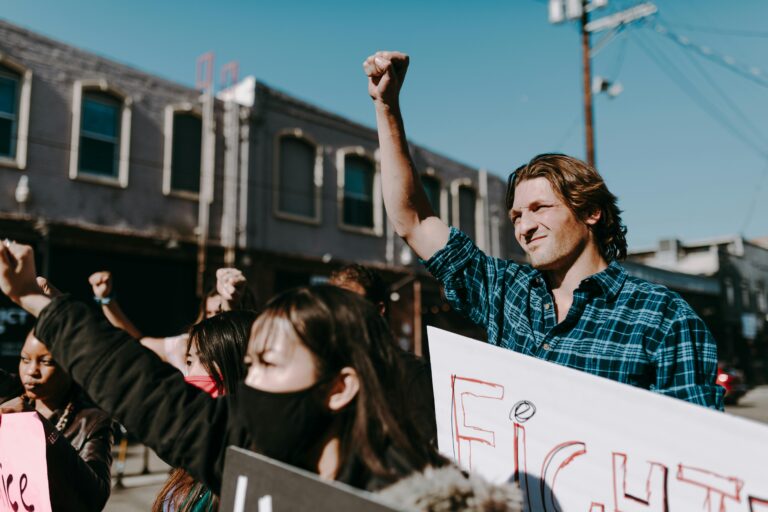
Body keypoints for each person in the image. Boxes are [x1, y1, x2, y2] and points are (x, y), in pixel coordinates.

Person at [363, 51, 723, 410]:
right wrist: (386, 105)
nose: (525, 226)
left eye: (540, 209)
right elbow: (414, 220)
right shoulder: (507, 293)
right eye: (517, 215)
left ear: (592, 212)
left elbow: (697, 449)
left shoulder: (663, 318)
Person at [0, 241, 447, 493]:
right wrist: (36, 300)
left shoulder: (417, 497)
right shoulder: (242, 449)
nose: (248, 382)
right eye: (248, 364)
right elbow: (142, 387)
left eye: (269, 364)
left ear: (338, 387)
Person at [155, 310, 257, 512]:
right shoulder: (199, 445)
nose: (190, 375)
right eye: (190, 362)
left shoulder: (247, 468)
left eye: (207, 360)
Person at [0, 330, 114, 511]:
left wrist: (41, 426)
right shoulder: (12, 394)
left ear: (71, 366)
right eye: (24, 359)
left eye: (46, 362)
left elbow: (95, 498)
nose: (31, 371)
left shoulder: (92, 421)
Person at [328, 263, 437, 442]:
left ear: (378, 310)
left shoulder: (409, 371)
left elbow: (422, 446)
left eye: (352, 302)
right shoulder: (325, 366)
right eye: (334, 303)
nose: (342, 312)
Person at [88, 268, 255, 371]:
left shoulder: (251, 354)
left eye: (220, 312)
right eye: (208, 313)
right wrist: (107, 300)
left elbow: (229, 342)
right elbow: (137, 342)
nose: (212, 319)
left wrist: (230, 302)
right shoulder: (185, 345)